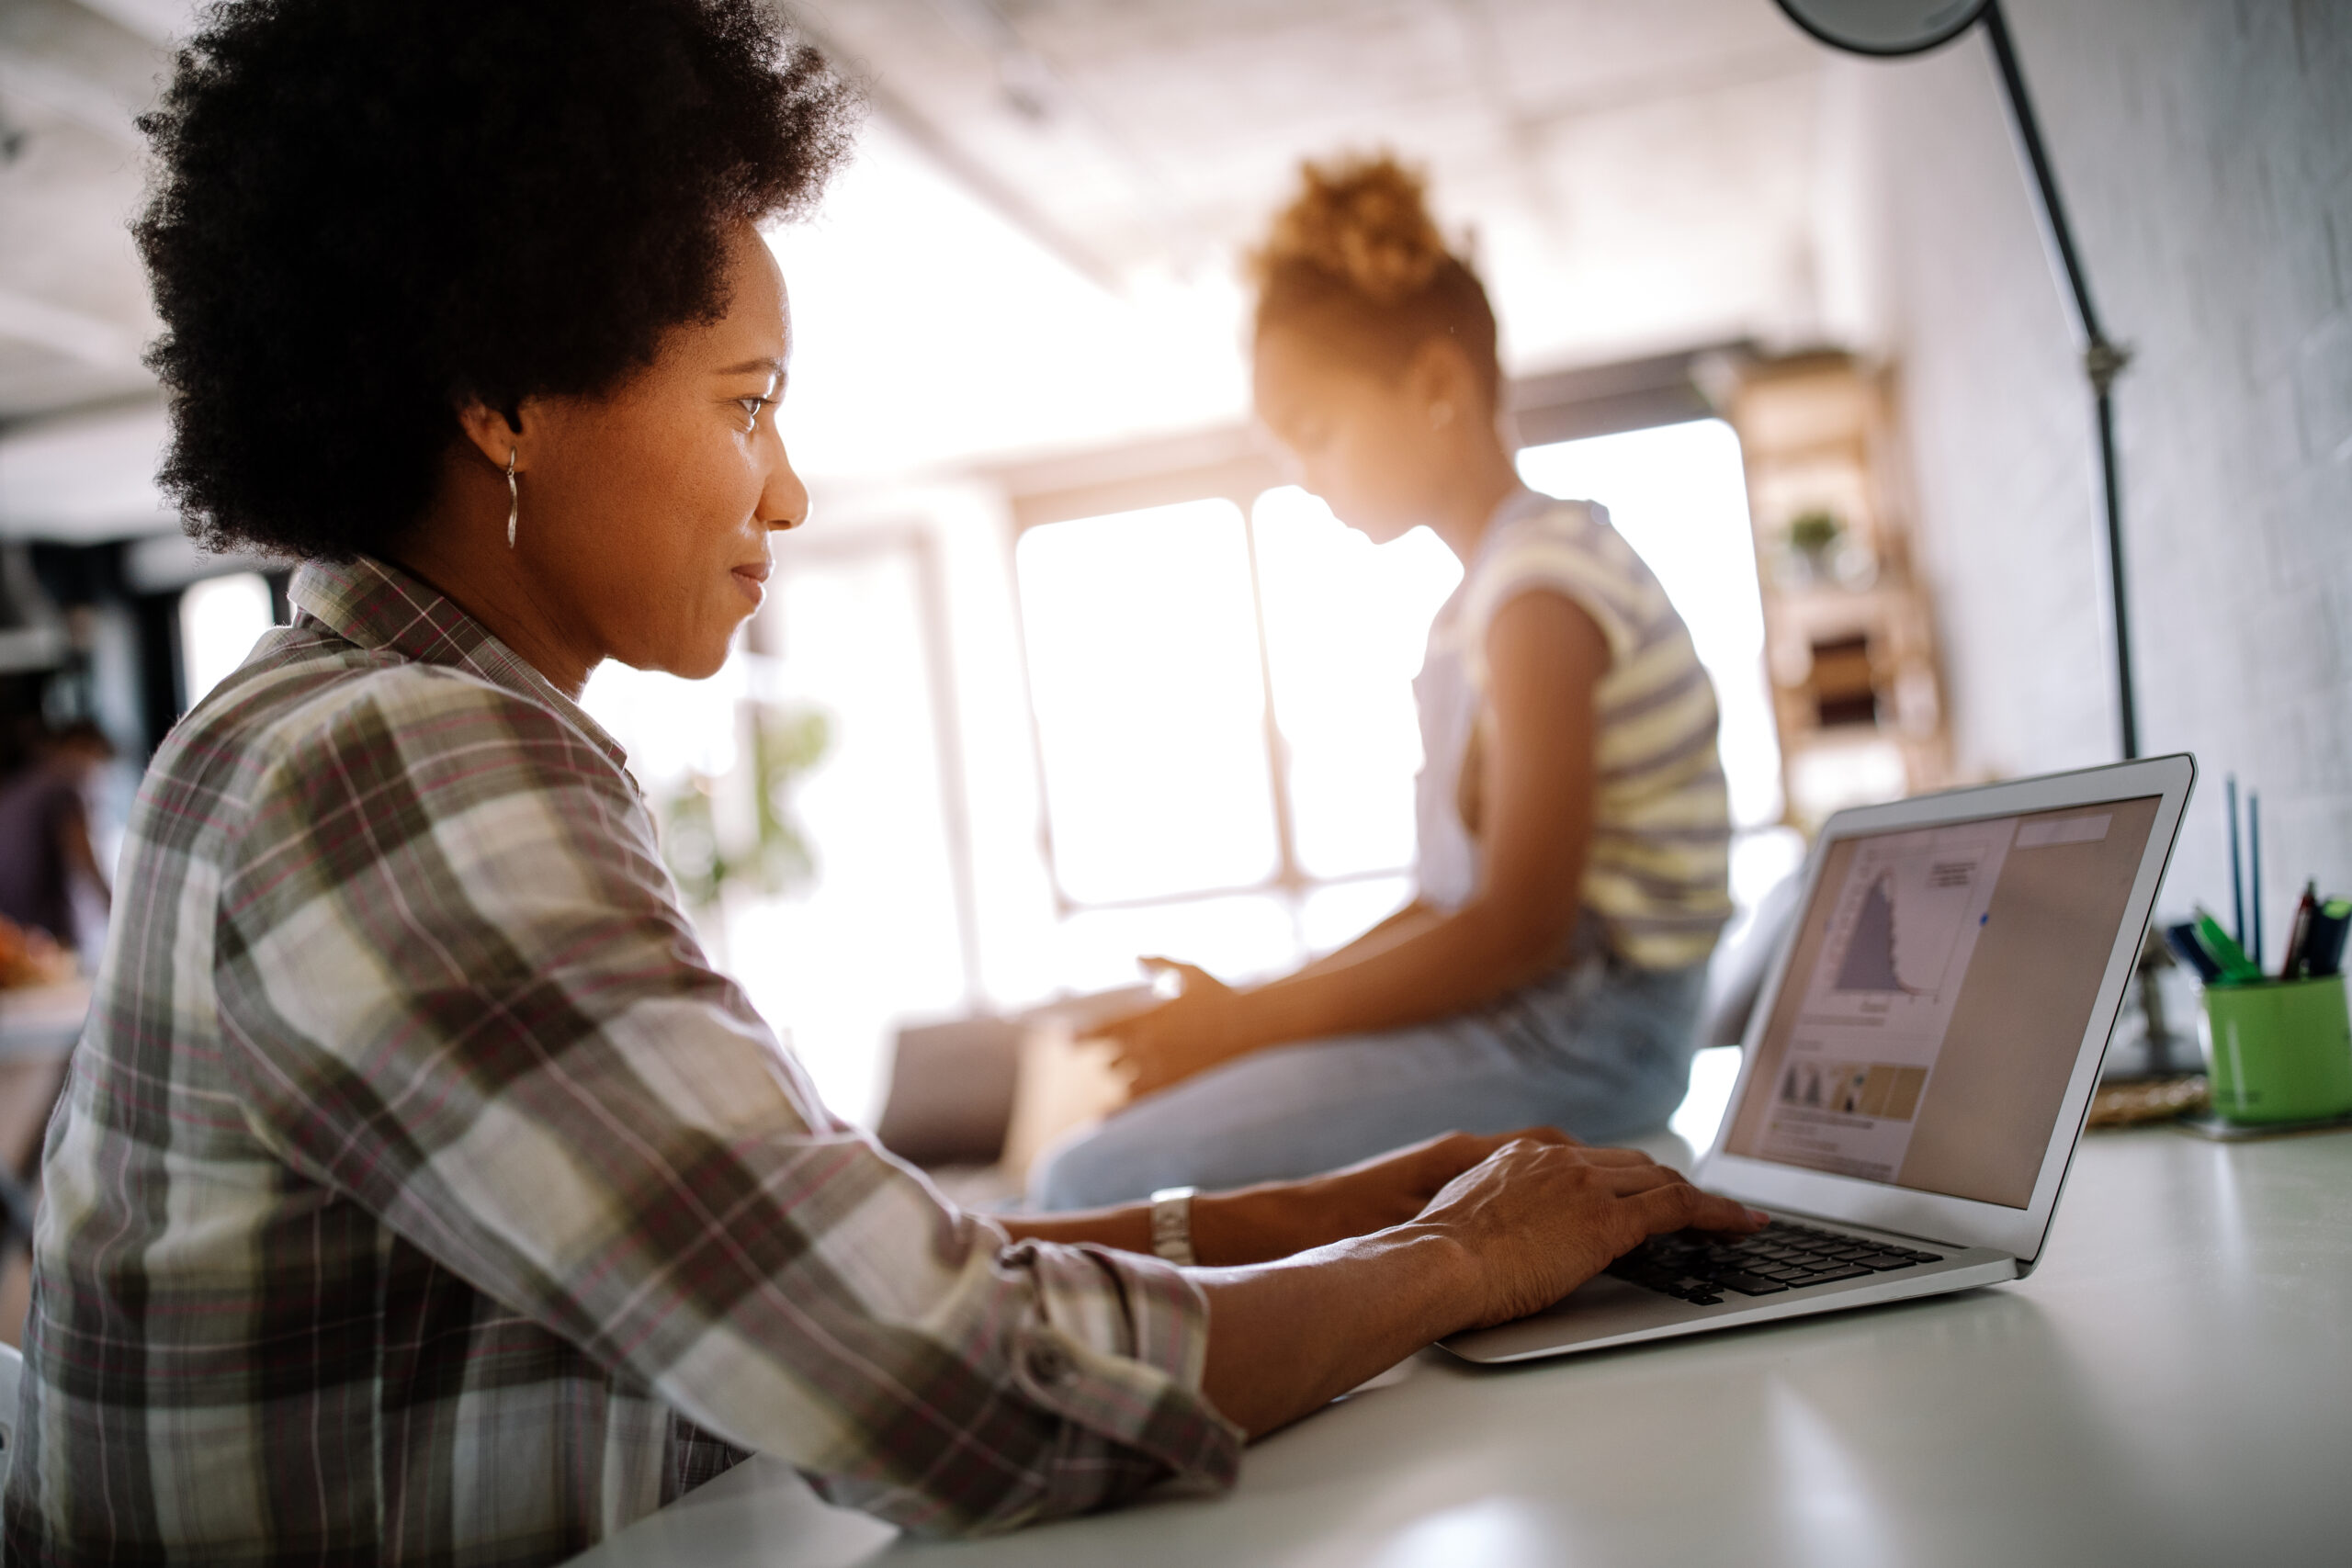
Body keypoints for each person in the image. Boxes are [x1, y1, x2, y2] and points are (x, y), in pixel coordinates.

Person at [3, 7, 1761, 1562]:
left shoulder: (333, 722)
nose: (788, 493)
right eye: (748, 402)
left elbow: (814, 1259)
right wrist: (1465, 1265)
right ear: (508, 402)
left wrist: (1337, 1206)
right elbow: (935, 1379)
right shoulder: (395, 765)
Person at [1032, 155, 1734, 1211]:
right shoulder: (1481, 605)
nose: (1303, 476)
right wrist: (1252, 1010)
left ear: (1437, 387)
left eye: (1314, 432)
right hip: (1532, 1019)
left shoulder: (1542, 591)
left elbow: (1517, 931)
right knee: (1102, 1162)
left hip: (1588, 1043)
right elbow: (1446, 906)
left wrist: (1251, 1026)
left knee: (1093, 1177)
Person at [0, 718, 114, 960]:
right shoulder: (65, 784)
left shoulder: (22, 785)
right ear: (81, 747)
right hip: (48, 937)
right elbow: (85, 858)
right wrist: (120, 914)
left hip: (14, 933)